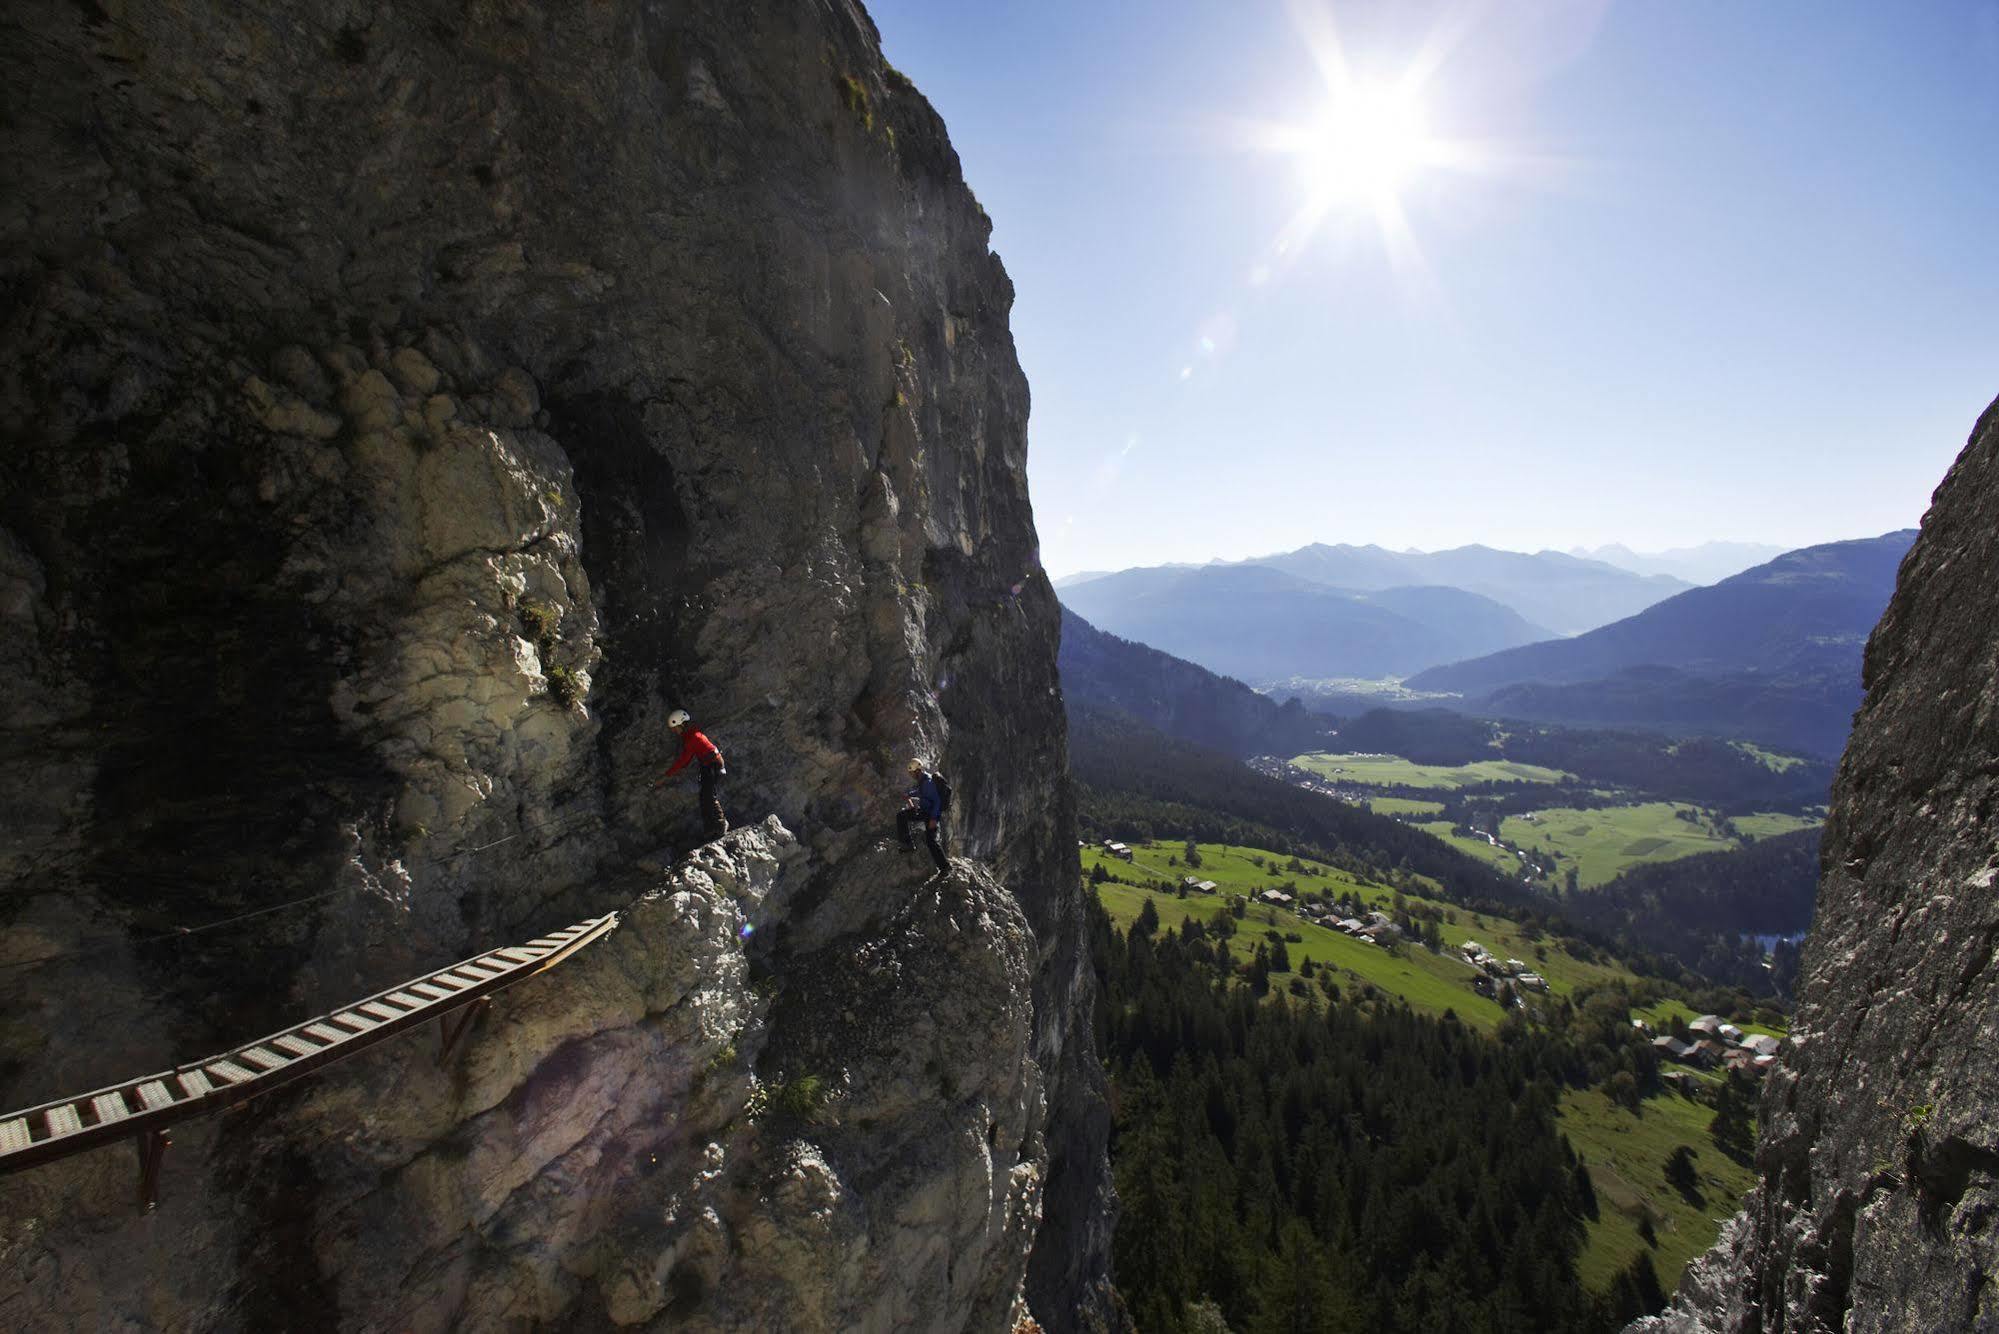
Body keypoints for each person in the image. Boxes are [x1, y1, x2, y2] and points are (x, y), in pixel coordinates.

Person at [653, 708, 727, 841]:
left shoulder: (692, 738)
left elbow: (683, 761)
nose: (674, 731)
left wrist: (666, 776)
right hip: (709, 765)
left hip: (713, 766)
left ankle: (721, 825)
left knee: (709, 796)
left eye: (675, 728)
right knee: (704, 797)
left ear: (682, 724)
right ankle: (711, 828)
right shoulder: (691, 735)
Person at [897, 758, 949, 875]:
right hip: (925, 811)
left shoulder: (928, 782)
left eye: (912, 772)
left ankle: (945, 867)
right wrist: (909, 794)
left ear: (917, 771)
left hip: (931, 815)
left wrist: (934, 819)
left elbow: (937, 801)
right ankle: (908, 844)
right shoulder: (923, 780)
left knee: (931, 841)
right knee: (902, 816)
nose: (911, 775)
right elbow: (920, 792)